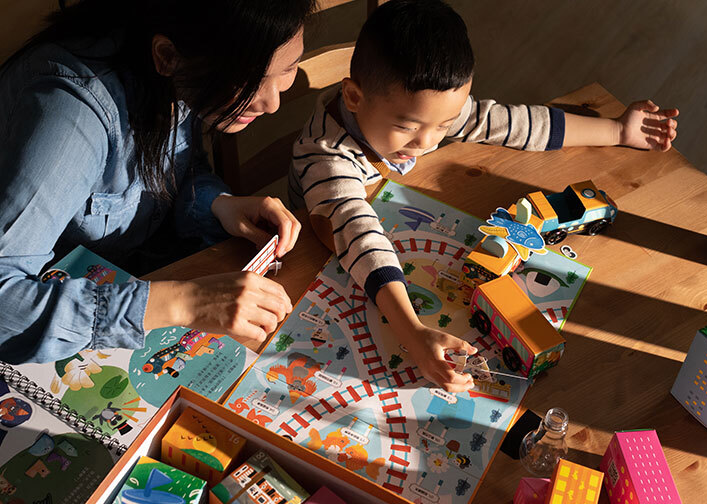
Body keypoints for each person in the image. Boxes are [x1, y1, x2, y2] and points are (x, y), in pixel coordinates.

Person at [290, 0, 678, 392]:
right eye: (407, 127)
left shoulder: (423, 109)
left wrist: (617, 132)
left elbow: (514, 124)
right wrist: (412, 333)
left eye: (443, 125)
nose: (426, 142)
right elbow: (361, 238)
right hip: (312, 255)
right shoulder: (325, 156)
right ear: (353, 97)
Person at [0, 0, 319, 364]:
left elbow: (167, 170)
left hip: (110, 279)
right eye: (251, 80)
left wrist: (217, 204)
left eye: (288, 68)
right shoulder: (71, 115)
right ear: (166, 55)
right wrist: (188, 303)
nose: (273, 103)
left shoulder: (180, 64)